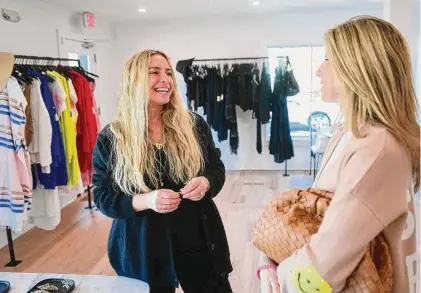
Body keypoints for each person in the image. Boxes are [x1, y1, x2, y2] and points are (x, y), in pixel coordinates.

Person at [258, 16, 420, 293]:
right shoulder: (349, 131)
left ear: (358, 67)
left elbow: (325, 265)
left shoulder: (377, 149)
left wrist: (276, 275)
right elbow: (319, 214)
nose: (319, 71)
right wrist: (270, 257)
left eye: (328, 59)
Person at [92, 50, 233, 293]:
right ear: (134, 80)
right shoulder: (112, 137)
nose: (165, 79)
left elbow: (215, 168)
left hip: (198, 241)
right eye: (154, 73)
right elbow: (103, 197)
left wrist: (206, 182)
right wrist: (146, 200)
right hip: (144, 250)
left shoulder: (193, 125)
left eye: (168, 73)